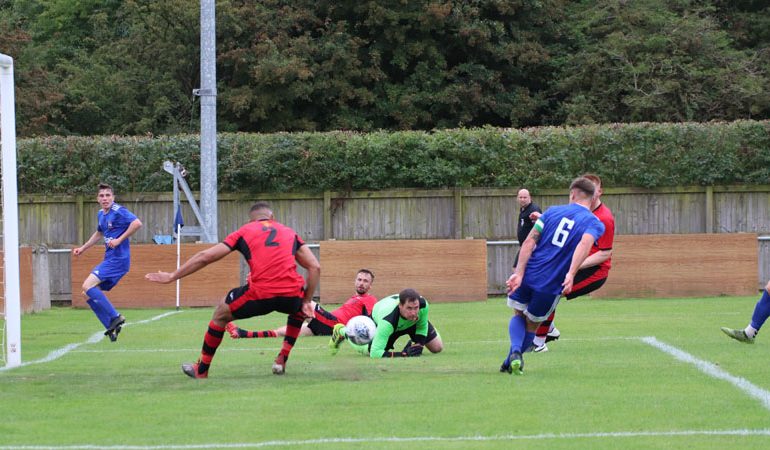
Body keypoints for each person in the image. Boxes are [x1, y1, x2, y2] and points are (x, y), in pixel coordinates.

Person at [145, 201, 320, 378]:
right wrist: (306, 300)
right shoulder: (290, 232)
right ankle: (282, 358)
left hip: (260, 294)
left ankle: (201, 369)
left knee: (221, 313)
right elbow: (315, 267)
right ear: (272, 217)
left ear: (251, 221)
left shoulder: (245, 231)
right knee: (299, 309)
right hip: (291, 295)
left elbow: (206, 257)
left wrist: (172, 276)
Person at [502, 177, 605, 375]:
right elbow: (584, 245)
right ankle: (512, 358)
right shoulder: (594, 223)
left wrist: (519, 273)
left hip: (531, 272)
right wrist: (572, 273)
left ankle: (513, 353)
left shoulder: (551, 212)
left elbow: (529, 242)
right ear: (592, 199)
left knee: (518, 314)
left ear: (572, 194)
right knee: (533, 324)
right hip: (551, 283)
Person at [529, 173, 615, 352]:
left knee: (551, 291)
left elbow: (605, 253)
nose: (589, 191)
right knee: (545, 289)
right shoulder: (577, 211)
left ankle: (538, 342)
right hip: (572, 265)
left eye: (593, 188)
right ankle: (549, 330)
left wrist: (574, 267)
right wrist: (543, 219)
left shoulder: (604, 218)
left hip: (594, 270)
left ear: (599, 192)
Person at [73, 183, 142, 342]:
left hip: (118, 260)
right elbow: (99, 233)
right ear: (97, 199)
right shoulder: (101, 215)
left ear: (113, 197)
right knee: (86, 293)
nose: (105, 198)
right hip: (111, 259)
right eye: (102, 196)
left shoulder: (118, 211)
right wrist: (83, 248)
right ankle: (111, 326)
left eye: (108, 195)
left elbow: (137, 223)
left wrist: (119, 240)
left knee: (86, 286)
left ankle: (115, 316)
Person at [225, 269, 377, 340]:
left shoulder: (370, 300)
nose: (361, 283)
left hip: (333, 325)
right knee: (284, 332)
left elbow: (372, 322)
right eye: (359, 280)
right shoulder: (354, 298)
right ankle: (242, 333)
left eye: (365, 281)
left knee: (302, 300)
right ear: (354, 281)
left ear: (370, 286)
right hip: (325, 325)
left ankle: (262, 285)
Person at [330, 288, 444, 358]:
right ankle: (342, 331)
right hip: (385, 322)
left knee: (437, 348)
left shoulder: (423, 306)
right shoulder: (388, 320)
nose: (414, 312)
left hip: (411, 324)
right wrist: (404, 354)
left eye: (416, 308)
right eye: (409, 308)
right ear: (400, 306)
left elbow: (422, 326)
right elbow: (376, 354)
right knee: (370, 351)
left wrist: (418, 345)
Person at [514, 188, 542, 268]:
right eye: (520, 197)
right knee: (516, 268)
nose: (522, 199)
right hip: (524, 246)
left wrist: (533, 246)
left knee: (517, 269)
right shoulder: (523, 209)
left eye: (525, 197)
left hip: (530, 247)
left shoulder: (533, 209)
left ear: (530, 197)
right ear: (517, 198)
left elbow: (539, 229)